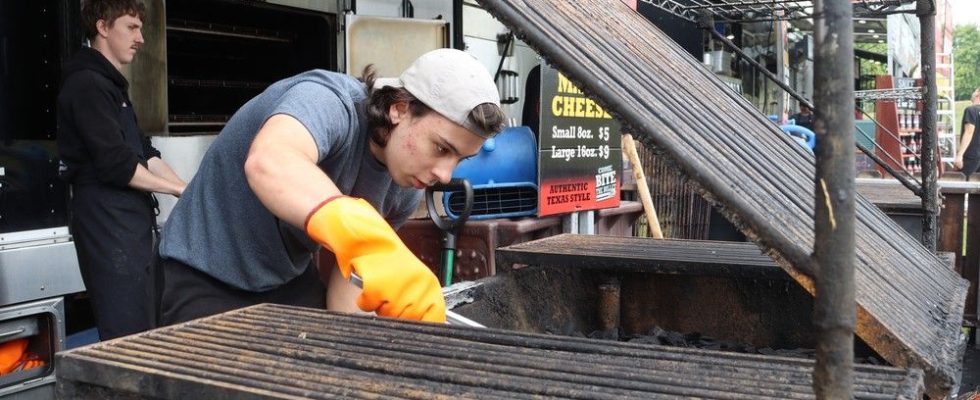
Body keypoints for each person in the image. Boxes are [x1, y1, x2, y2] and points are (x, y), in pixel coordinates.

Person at [158, 48, 505, 325]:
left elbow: (347, 290)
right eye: (442, 148)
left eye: (458, 160)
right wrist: (365, 236)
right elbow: (270, 161)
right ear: (400, 109)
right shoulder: (329, 100)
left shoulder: (405, 185)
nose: (444, 175)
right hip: (203, 273)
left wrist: (386, 339)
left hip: (285, 278)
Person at [57, 0, 186, 340]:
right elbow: (118, 166)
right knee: (127, 336)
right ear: (102, 27)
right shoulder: (86, 84)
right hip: (106, 224)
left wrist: (189, 190)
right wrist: (174, 190)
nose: (141, 38)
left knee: (147, 327)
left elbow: (144, 152)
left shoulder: (111, 86)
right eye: (131, 27)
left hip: (128, 226)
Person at [954, 88, 980, 179]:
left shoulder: (971, 110)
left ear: (978, 94)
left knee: (966, 187)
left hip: (971, 157)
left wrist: (959, 155)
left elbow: (969, 132)